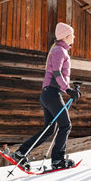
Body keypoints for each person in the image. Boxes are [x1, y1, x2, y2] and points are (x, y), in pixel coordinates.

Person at [12, 22, 81, 170]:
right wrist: (67, 89)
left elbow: (58, 73)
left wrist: (70, 89)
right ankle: (58, 160)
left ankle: (21, 153)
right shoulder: (59, 51)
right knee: (66, 125)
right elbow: (56, 73)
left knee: (49, 129)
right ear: (67, 36)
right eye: (72, 34)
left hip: (49, 94)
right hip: (52, 93)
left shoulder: (59, 50)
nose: (74, 37)